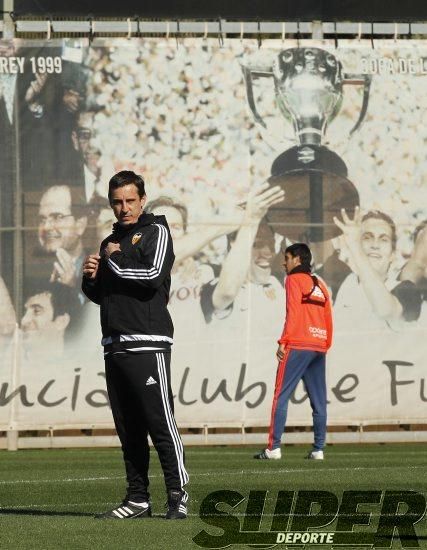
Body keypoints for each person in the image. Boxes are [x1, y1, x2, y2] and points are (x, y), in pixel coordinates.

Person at [82, 170, 188, 520]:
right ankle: (138, 499)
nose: (123, 207)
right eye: (117, 202)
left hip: (147, 340)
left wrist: (114, 258)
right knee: (128, 427)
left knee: (160, 422)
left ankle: (178, 495)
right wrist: (91, 279)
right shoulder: (111, 241)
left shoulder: (155, 231)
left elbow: (151, 277)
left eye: (130, 200)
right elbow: (107, 295)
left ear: (143, 200)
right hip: (114, 343)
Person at [254, 243, 333, 461]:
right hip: (318, 345)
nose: (283, 262)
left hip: (298, 344)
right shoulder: (319, 283)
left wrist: (284, 341)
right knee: (319, 399)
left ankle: (274, 448)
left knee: (281, 395)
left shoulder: (292, 280)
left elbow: (293, 312)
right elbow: (328, 315)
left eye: (286, 258)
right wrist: (325, 343)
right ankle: (318, 450)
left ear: (297, 259)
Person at [333, 208, 422, 330]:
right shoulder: (341, 282)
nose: (375, 245)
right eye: (367, 237)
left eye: (383, 239)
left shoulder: (408, 290)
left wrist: (355, 246)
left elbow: (385, 311)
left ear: (392, 254)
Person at [37, 184, 88, 290]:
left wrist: (71, 287)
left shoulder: (99, 271)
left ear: (80, 224)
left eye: (57, 217)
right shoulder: (28, 274)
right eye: (42, 219)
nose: (46, 227)